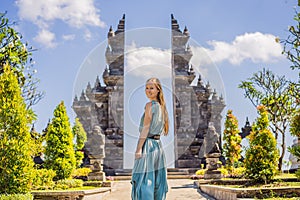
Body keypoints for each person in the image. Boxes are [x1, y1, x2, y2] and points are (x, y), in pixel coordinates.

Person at [131, 77, 169, 200]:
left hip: (148, 145)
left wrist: (138, 148)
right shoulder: (162, 107)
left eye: (151, 88)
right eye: (146, 88)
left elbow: (146, 128)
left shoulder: (150, 105)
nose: (148, 91)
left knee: (145, 180)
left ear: (158, 90)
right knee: (157, 180)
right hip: (158, 146)